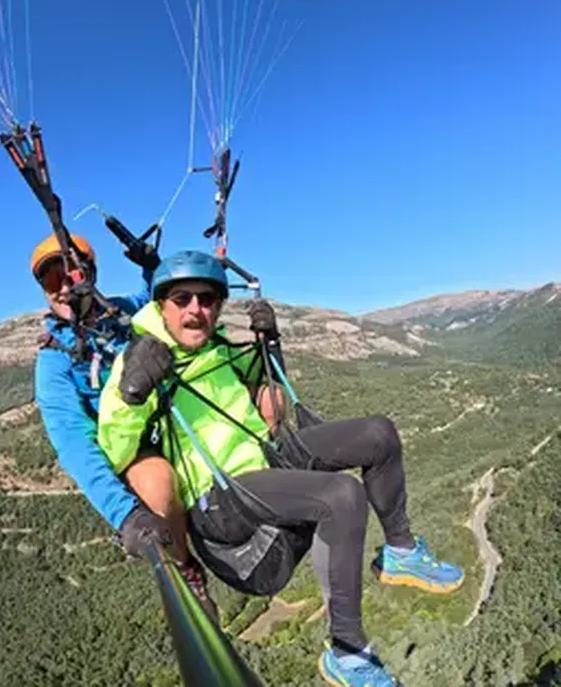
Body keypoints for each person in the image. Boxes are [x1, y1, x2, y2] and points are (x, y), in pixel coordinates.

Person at [97, 250, 465, 687]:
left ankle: (401, 553)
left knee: (378, 435)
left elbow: (268, 390)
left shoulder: (216, 349)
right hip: (220, 497)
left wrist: (270, 344)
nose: (197, 309)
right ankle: (348, 653)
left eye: (208, 300)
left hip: (263, 460)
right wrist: (131, 393)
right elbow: (117, 451)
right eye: (183, 299)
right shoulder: (141, 359)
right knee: (340, 496)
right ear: (162, 305)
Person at [30, 233, 217, 618]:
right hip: (132, 443)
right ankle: (186, 571)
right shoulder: (55, 361)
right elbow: (73, 444)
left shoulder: (119, 313)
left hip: (172, 416)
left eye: (71, 274)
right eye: (52, 280)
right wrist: (125, 515)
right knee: (156, 483)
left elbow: (160, 301)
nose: (64, 287)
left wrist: (151, 264)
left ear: (89, 275)